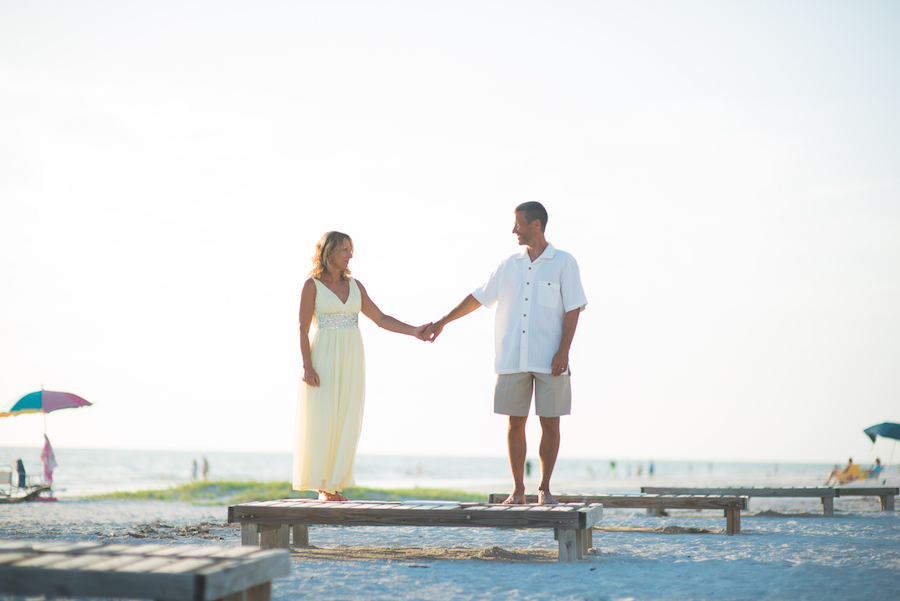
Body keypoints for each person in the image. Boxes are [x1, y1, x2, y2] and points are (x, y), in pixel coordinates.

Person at [424, 202, 587, 505]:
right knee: (515, 422)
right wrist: (442, 322)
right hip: (512, 357)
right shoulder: (508, 264)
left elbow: (573, 308)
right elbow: (478, 297)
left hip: (552, 358)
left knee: (551, 423)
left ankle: (545, 489)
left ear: (536, 225)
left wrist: (563, 351)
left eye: (519, 224)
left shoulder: (564, 262)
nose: (514, 230)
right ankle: (518, 490)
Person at [294, 231, 430, 501]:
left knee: (347, 416)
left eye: (350, 249)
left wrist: (414, 330)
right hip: (323, 357)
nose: (350, 255)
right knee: (324, 416)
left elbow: (380, 318)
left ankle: (334, 485)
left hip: (352, 357)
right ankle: (324, 487)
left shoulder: (355, 286)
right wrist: (307, 366)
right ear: (329, 252)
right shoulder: (312, 285)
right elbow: (301, 327)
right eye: (345, 249)